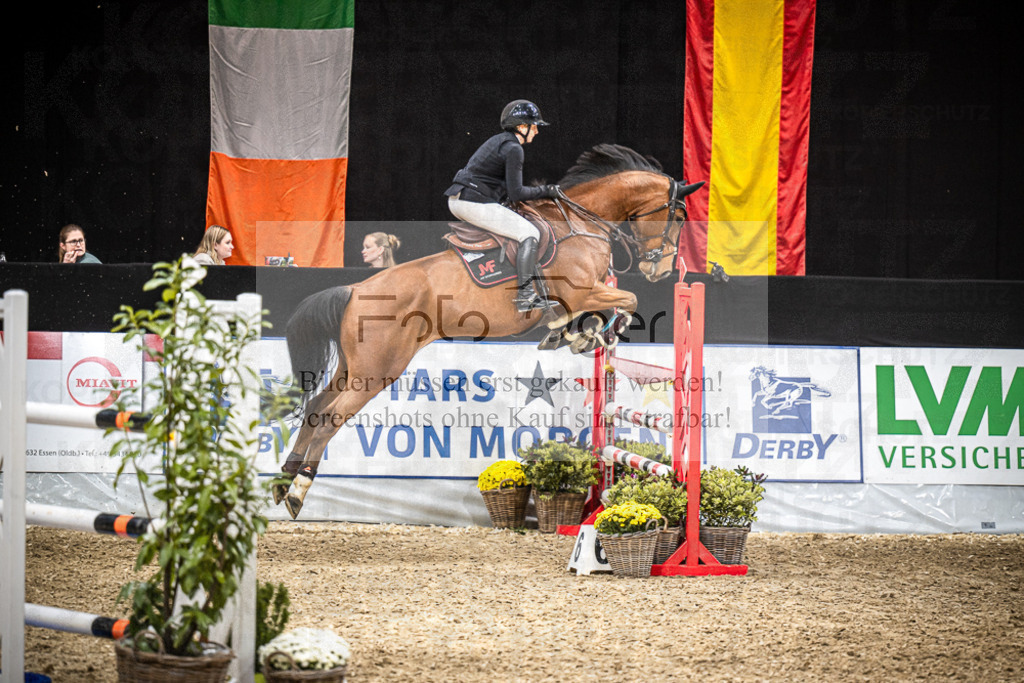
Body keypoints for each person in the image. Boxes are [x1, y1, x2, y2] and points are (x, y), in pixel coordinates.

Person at [444, 99, 560, 312]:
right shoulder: (514, 148)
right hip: (472, 202)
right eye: (534, 126)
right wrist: (548, 191)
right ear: (521, 127)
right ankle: (525, 295)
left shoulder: (500, 141)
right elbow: (517, 194)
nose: (537, 131)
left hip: (463, 198)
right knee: (529, 233)